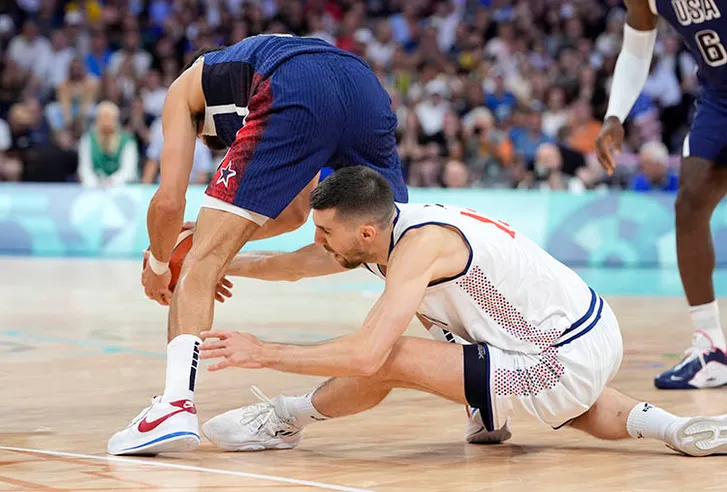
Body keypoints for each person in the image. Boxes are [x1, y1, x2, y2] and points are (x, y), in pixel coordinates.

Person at [198, 166, 727, 457]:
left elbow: (366, 357)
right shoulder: (390, 228)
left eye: (324, 232)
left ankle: (287, 419)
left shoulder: (418, 248)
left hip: (554, 356)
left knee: (392, 354)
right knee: (569, 400)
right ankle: (676, 431)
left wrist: (262, 352)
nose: (318, 242)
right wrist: (215, 262)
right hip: (581, 333)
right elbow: (295, 264)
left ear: (364, 231)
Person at [107, 35, 408, 456]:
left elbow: (170, 201)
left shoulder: (184, 87)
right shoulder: (258, 62)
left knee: (200, 260)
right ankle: (472, 379)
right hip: (363, 85)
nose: (224, 145)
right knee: (397, 244)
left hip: (293, 85)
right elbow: (292, 216)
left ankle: (173, 407)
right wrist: (217, 242)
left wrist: (162, 264)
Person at [594, 0, 727, 390]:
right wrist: (615, 115)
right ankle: (710, 348)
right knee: (690, 202)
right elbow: (637, 46)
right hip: (720, 97)